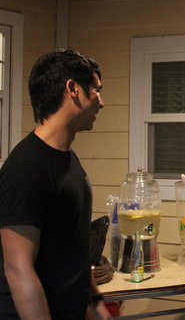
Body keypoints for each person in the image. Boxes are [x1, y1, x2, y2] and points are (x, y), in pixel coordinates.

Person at [0, 49, 111, 319]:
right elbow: (18, 269)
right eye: (96, 91)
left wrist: (95, 303)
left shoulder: (67, 159)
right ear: (73, 89)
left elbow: (73, 248)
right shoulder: (27, 168)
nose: (101, 102)